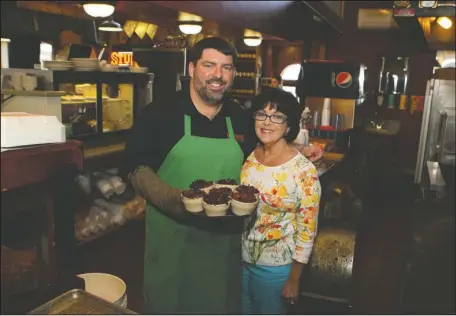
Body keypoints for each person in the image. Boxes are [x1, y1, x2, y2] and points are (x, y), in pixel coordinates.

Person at [119, 37, 323, 314]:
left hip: (223, 247)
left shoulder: (238, 116)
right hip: (174, 242)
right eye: (209, 65)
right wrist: (173, 198)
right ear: (192, 68)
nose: (218, 75)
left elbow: (266, 143)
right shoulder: (160, 113)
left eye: (226, 67)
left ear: (234, 74)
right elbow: (134, 167)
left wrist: (299, 148)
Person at [241, 88, 322, 315]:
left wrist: (294, 279)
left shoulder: (303, 171)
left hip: (275, 269)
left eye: (277, 117)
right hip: (240, 260)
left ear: (289, 126)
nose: (267, 122)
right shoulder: (250, 156)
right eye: (261, 114)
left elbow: (308, 230)